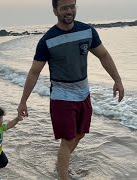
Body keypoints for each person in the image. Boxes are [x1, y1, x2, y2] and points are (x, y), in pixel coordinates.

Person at [17, 0, 124, 179]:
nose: (69, 11)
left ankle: (61, 163)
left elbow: (103, 55)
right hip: (62, 96)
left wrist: (117, 80)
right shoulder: (47, 40)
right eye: (64, 8)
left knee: (80, 134)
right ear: (55, 11)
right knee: (67, 140)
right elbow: (34, 72)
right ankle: (63, 175)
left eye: (72, 6)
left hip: (84, 93)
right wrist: (23, 100)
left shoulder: (87, 31)